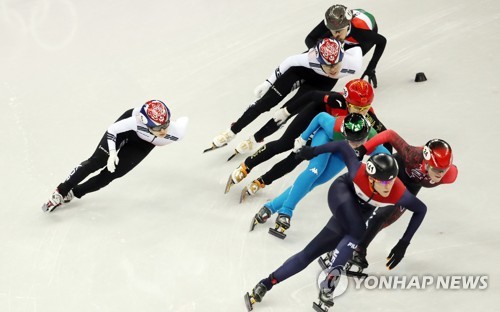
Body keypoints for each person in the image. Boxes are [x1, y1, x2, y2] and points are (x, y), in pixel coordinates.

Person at [244, 141, 427, 311]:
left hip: (358, 212)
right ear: (371, 179)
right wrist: (312, 151)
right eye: (385, 181)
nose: (389, 186)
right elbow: (342, 146)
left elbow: (421, 210)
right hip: (341, 193)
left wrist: (404, 242)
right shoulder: (358, 172)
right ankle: (328, 286)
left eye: (393, 179)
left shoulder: (398, 192)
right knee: (358, 231)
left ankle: (265, 283)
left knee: (309, 253)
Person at [224, 79, 387, 200]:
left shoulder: (368, 116)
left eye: (365, 109)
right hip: (315, 115)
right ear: (346, 101)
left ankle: (263, 181)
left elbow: (384, 136)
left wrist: (386, 166)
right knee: (284, 143)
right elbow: (311, 95)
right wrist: (287, 111)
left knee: (296, 158)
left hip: (325, 131)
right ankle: (247, 166)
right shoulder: (335, 99)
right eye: (357, 108)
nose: (361, 112)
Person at [328, 129, 457, 270]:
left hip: (411, 187)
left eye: (443, 170)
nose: (440, 174)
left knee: (385, 218)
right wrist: (363, 149)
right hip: (392, 176)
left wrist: (404, 243)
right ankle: (343, 242)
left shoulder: (449, 175)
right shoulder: (412, 155)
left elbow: (420, 210)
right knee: (369, 209)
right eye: (437, 169)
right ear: (426, 163)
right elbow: (389, 135)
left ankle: (358, 247)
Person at [209, 37, 363, 153]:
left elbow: (359, 47)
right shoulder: (309, 59)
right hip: (299, 71)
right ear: (318, 59)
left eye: (336, 64)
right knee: (265, 103)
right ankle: (232, 131)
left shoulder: (353, 65)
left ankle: (254, 139)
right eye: (327, 65)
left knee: (285, 113)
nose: (333, 69)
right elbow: (289, 61)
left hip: (320, 84)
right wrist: (268, 83)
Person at [250, 113, 389, 239]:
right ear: (344, 134)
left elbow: (388, 161)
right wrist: (303, 138)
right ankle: (286, 211)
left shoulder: (374, 141)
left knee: (314, 183)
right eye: (353, 142)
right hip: (326, 138)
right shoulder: (333, 127)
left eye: (360, 141)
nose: (357, 145)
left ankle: (270, 207)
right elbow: (320, 116)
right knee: (315, 171)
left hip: (341, 149)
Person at [41, 100, 188, 212]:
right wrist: (111, 153)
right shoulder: (135, 122)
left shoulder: (175, 133)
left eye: (166, 125)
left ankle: (74, 193)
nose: (163, 131)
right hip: (122, 133)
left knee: (111, 175)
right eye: (158, 128)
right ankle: (61, 190)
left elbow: (185, 120)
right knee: (97, 161)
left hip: (142, 145)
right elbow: (113, 130)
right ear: (145, 122)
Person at [306, 4, 387, 88]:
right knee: (322, 50)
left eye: (339, 31)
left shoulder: (361, 34)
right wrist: (318, 54)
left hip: (362, 36)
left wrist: (371, 68)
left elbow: (382, 41)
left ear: (348, 26)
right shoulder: (331, 22)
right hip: (348, 27)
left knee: (340, 62)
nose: (336, 35)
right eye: (333, 30)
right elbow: (309, 39)